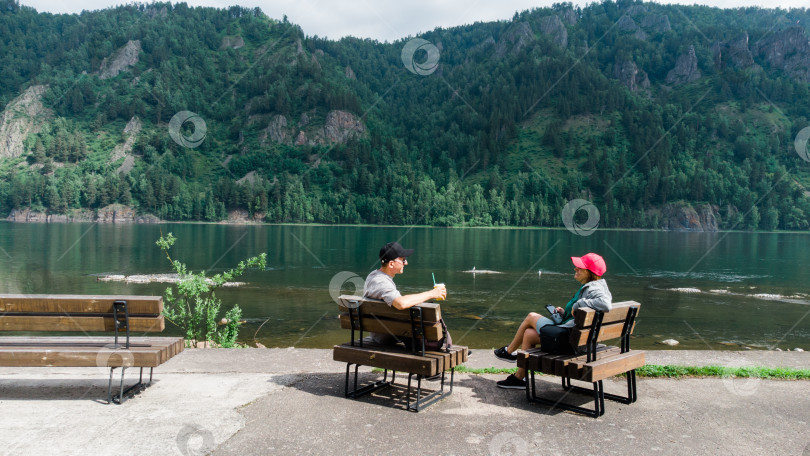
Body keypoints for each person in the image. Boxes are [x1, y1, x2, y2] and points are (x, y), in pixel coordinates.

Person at [493, 253, 612, 389]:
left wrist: (578, 304)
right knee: (528, 334)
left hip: (571, 342)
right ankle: (520, 378)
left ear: (590, 272)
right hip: (576, 339)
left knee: (531, 316)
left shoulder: (593, 288)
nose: (575, 269)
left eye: (579, 267)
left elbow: (606, 304)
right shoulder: (595, 286)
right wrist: (564, 313)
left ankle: (509, 352)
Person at [362, 241, 446, 344]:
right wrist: (432, 294)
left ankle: (446, 343)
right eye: (403, 260)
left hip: (381, 331)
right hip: (388, 335)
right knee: (428, 311)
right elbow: (401, 303)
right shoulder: (381, 282)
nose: (406, 263)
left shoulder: (373, 275)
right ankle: (446, 344)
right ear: (391, 264)